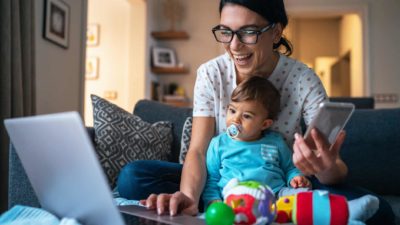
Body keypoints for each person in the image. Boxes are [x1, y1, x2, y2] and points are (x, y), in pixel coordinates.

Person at [117, 0, 395, 223]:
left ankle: (274, 206)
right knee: (133, 177)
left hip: (281, 182)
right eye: (226, 31)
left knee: (380, 211)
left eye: (248, 32)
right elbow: (199, 151)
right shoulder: (211, 73)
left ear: (276, 31)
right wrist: (189, 196)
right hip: (223, 178)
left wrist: (326, 168)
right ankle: (221, 201)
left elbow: (332, 171)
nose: (234, 46)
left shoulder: (303, 80)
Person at [203, 76, 379, 223]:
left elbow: (289, 167)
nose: (236, 120)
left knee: (305, 197)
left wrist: (296, 179)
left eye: (247, 116)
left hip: (276, 196)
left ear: (265, 124)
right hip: (235, 198)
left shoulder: (275, 141)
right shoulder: (219, 144)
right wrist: (213, 201)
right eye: (232, 111)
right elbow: (212, 179)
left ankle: (346, 213)